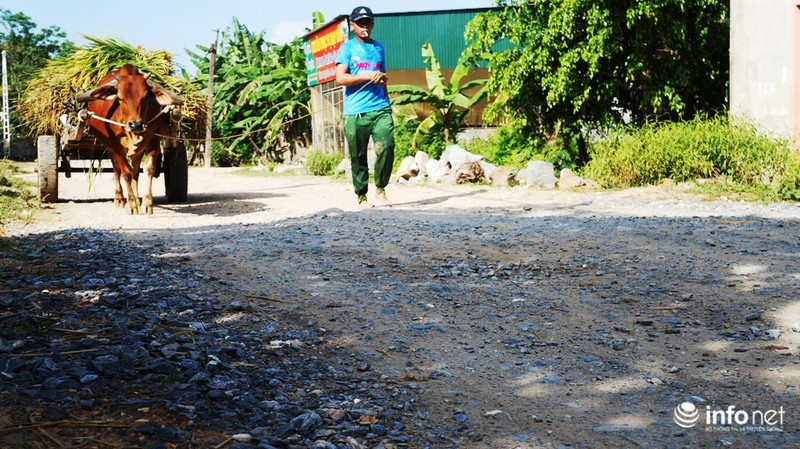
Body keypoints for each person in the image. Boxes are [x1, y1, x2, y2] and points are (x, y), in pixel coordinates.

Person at [335, 6, 395, 209]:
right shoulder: (347, 49)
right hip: (355, 112)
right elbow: (340, 78)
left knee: (387, 146)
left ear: (373, 24)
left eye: (368, 22)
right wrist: (367, 76)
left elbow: (382, 77)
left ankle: (381, 188)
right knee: (358, 155)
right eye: (360, 23)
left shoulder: (379, 48)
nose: (365, 26)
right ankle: (361, 196)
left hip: (380, 107)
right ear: (352, 25)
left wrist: (388, 101)